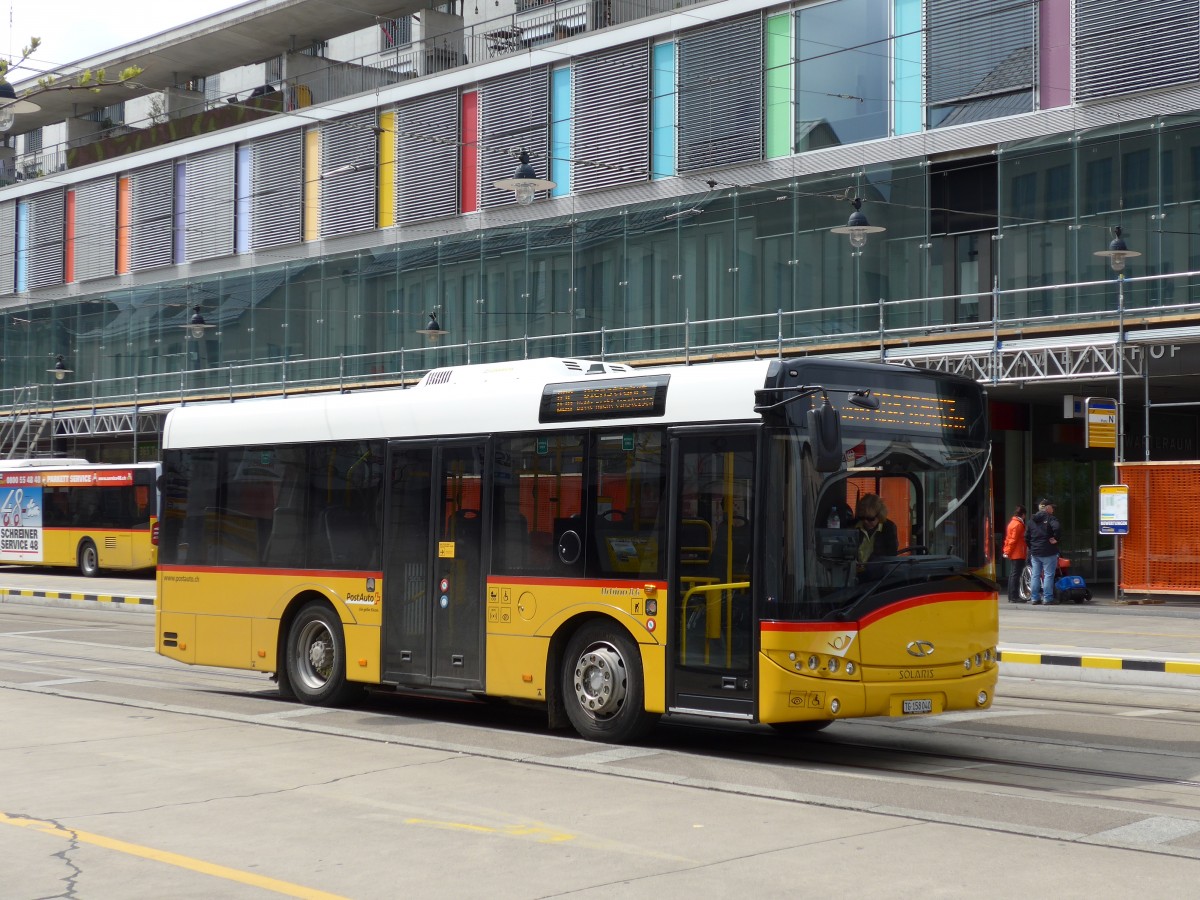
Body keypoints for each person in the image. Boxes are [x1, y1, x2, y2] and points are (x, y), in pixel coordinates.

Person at [1025, 497, 1061, 604]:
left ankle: (1035, 598)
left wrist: (1032, 547)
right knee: (1048, 575)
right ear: (1047, 508)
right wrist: (1056, 539)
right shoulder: (1051, 519)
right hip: (1049, 552)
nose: (1053, 510)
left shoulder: (1032, 520)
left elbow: (1026, 536)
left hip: (1035, 552)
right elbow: (1057, 528)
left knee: (1035, 575)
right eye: (1052, 507)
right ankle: (1047, 598)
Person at [853, 493, 899, 575]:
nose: (866, 522)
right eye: (862, 518)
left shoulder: (888, 528)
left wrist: (868, 566)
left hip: (878, 576)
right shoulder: (853, 527)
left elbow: (891, 555)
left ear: (880, 515)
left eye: (870, 518)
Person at [1002, 505, 1028, 603]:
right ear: (1023, 514)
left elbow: (1009, 539)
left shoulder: (1012, 523)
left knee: (1013, 574)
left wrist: (1006, 551)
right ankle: (1014, 596)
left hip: (1014, 552)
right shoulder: (1018, 524)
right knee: (1016, 575)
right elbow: (1013, 540)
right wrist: (1008, 551)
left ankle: (1012, 596)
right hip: (1018, 552)